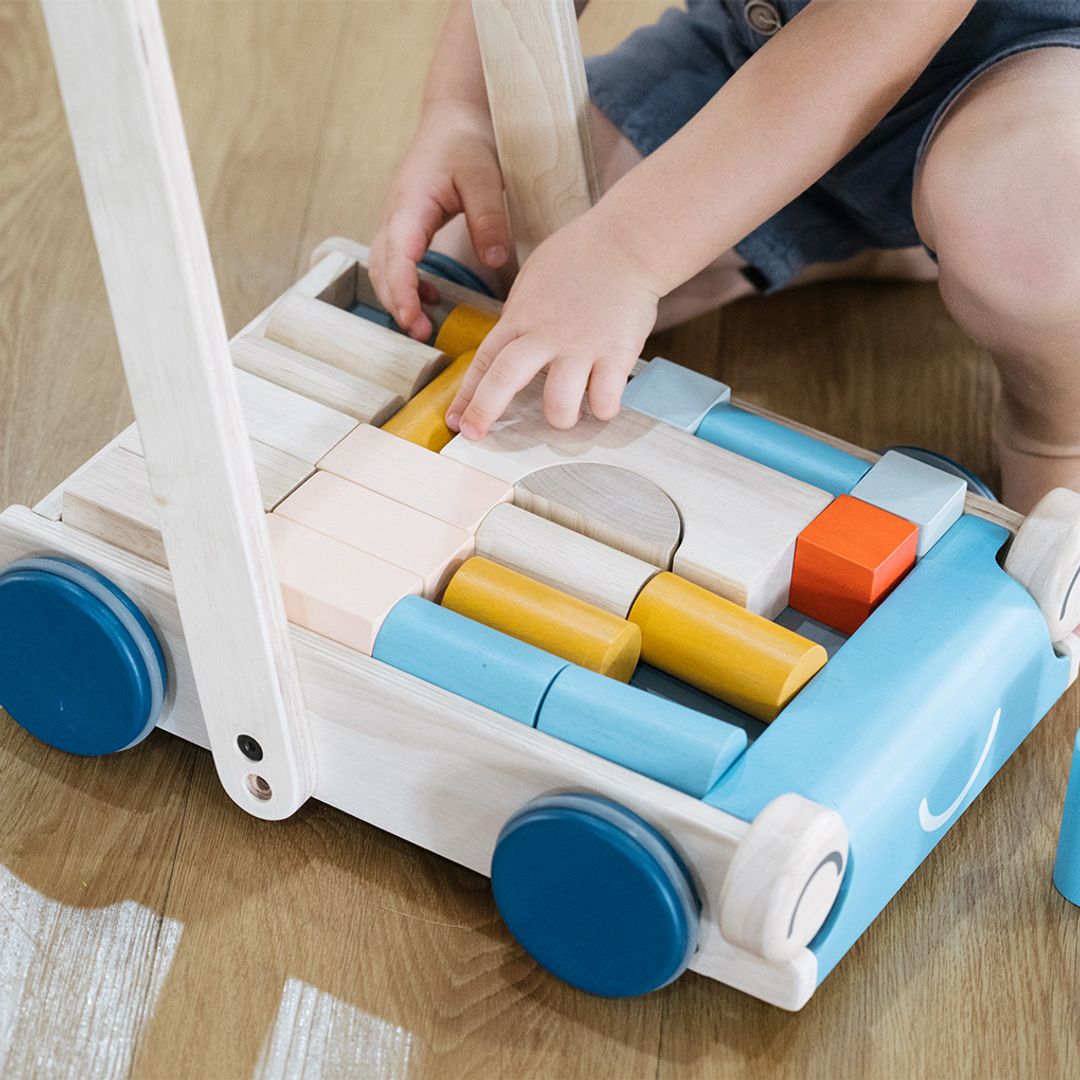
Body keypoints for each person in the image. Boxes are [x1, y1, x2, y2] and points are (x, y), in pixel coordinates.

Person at [369, 0, 1080, 512]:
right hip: (758, 55)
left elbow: (875, 33)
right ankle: (843, 243)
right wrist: (463, 110)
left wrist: (625, 250)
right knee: (491, 245)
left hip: (1029, 70)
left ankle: (1059, 438)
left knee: (1037, 226)